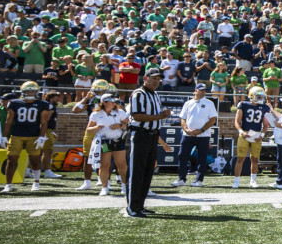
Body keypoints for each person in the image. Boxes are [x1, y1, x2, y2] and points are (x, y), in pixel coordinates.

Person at [126, 68, 171, 217]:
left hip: (152, 136)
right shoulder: (139, 94)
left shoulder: (155, 94)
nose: (156, 82)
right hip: (140, 135)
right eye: (153, 78)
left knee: (147, 173)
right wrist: (160, 116)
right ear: (145, 78)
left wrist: (160, 116)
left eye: (158, 79)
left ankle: (140, 205)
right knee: (136, 172)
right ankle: (132, 207)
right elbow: (137, 116)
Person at [1, 81, 52, 193]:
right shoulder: (14, 103)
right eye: (28, 90)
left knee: (34, 160)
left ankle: (36, 182)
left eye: (32, 90)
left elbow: (44, 123)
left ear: (36, 92)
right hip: (16, 134)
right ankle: (8, 184)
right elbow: (8, 121)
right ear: (23, 91)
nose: (30, 92)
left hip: (33, 135)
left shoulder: (42, 104)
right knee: (11, 160)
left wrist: (41, 137)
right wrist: (4, 136)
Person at [172, 83, 217, 187]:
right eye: (201, 90)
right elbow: (182, 119)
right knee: (182, 156)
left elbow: (212, 119)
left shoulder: (209, 103)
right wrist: (187, 130)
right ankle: (181, 179)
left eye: (205, 90)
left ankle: (199, 180)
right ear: (196, 90)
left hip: (203, 135)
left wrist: (201, 130)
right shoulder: (188, 103)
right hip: (187, 135)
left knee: (202, 158)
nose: (204, 92)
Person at [88, 95, 129, 196]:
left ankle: (124, 185)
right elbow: (88, 129)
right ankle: (104, 187)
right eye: (110, 101)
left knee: (122, 164)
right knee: (105, 165)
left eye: (114, 101)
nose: (113, 103)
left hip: (118, 140)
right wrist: (96, 127)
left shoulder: (120, 112)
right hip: (104, 141)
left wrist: (119, 125)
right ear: (104, 102)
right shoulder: (96, 114)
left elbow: (127, 124)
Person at [233, 86, 270, 188]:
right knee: (240, 158)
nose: (261, 98)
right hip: (244, 133)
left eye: (262, 96)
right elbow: (237, 121)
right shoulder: (243, 104)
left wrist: (262, 135)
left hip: (257, 134)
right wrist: (241, 132)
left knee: (255, 159)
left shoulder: (265, 107)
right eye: (258, 96)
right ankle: (236, 181)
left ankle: (253, 181)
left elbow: (266, 124)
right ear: (252, 96)